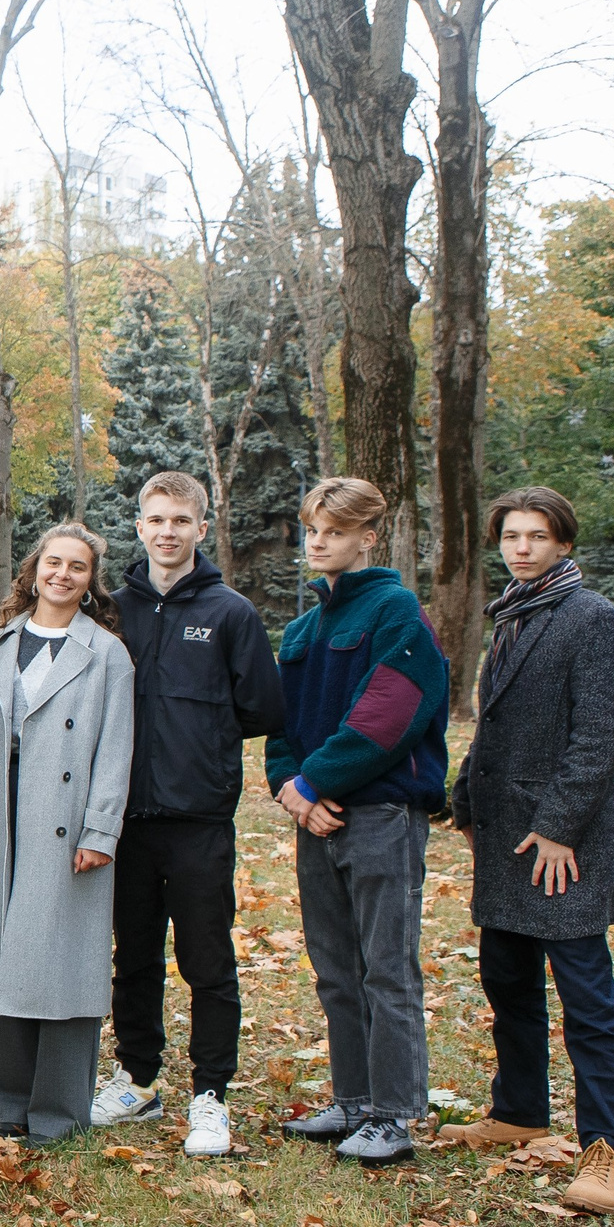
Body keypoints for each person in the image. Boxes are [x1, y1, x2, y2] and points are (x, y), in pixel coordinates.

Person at [444, 488, 614, 1213]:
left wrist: (557, 824)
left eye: (537, 536)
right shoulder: (514, 615)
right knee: (509, 983)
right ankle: (519, 1108)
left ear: (563, 542)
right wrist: (465, 801)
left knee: (586, 1000)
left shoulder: (591, 618)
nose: (521, 547)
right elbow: (492, 725)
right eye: (512, 536)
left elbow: (601, 737)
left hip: (563, 845)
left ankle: (607, 1151)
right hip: (504, 838)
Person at [90, 473, 285, 1160]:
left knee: (207, 959)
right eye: (155, 519)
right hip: (125, 820)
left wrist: (202, 743)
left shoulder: (229, 613)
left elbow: (262, 706)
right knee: (133, 958)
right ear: (138, 526)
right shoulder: (112, 610)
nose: (166, 531)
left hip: (200, 818)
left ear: (201, 527)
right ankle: (139, 1080)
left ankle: (210, 1095)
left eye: (180, 519)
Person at [266, 476, 450, 1168]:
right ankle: (352, 1099)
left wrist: (317, 781)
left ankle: (393, 1114)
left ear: (368, 536)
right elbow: (280, 723)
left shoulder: (397, 612)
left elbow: (390, 714)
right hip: (315, 818)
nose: (320, 541)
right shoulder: (305, 627)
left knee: (386, 968)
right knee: (336, 968)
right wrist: (291, 788)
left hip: (381, 814)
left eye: (336, 531)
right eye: (313, 528)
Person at [0, 524, 135, 1148]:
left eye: (77, 567)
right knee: (12, 963)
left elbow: (116, 748)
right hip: (4, 818)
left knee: (65, 964)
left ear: (90, 581)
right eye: (52, 563)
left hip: (69, 826)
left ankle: (58, 1110)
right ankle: (10, 1102)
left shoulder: (106, 653)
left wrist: (101, 830)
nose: (62, 575)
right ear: (33, 570)